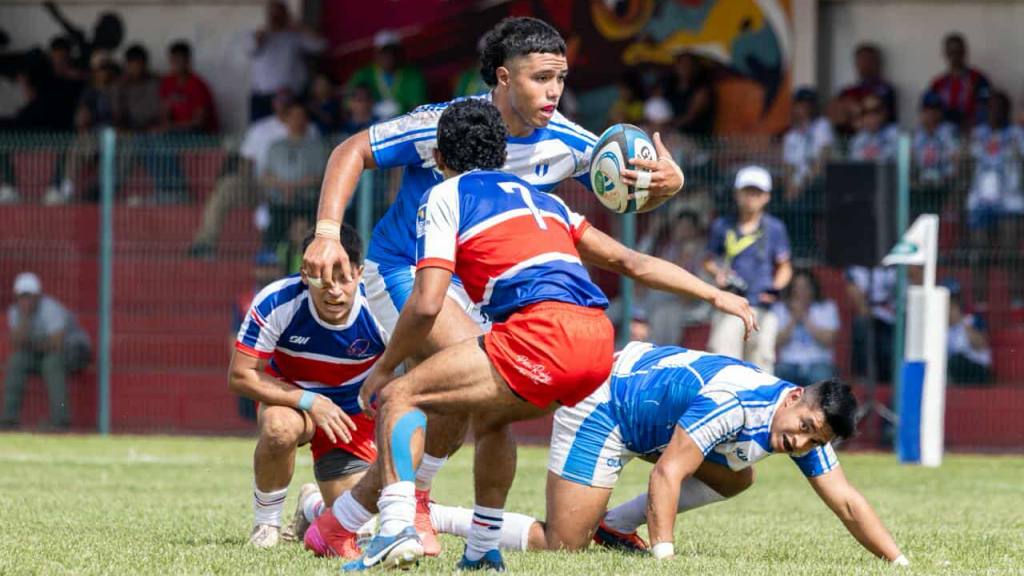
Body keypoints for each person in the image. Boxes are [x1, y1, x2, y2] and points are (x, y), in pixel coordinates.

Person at [300, 18, 693, 558]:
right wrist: (326, 234)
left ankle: (337, 519)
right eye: (541, 78)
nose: (555, 91)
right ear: (504, 79)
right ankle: (409, 512)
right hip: (407, 273)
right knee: (458, 379)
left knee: (478, 407)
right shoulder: (443, 125)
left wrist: (666, 186)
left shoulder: (574, 143)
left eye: (561, 78)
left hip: (482, 289)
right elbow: (351, 151)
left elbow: (631, 187)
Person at [337, 98, 752, 572]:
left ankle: (394, 529)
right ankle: (482, 549)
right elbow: (631, 262)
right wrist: (717, 295)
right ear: (500, 153)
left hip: (542, 337)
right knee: (491, 416)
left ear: (438, 159)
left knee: (399, 397)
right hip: (597, 346)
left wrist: (386, 368)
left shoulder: (444, 195)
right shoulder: (547, 201)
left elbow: (428, 302)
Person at [427, 342, 910, 567]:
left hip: (653, 416)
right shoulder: (739, 402)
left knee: (738, 477)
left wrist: (899, 563)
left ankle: (615, 525)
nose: (801, 444)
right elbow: (667, 475)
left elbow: (846, 501)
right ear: (793, 397)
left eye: (814, 441)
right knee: (563, 544)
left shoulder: (794, 424)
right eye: (805, 429)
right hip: (608, 403)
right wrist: (665, 556)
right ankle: (434, 516)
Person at [228, 224, 387, 548]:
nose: (335, 291)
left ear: (359, 273)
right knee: (278, 428)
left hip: (352, 413)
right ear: (305, 273)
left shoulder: (383, 304)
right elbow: (240, 375)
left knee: (353, 529)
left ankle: (310, 506)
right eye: (323, 280)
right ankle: (267, 526)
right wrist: (310, 401)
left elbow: (411, 369)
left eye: (344, 278)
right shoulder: (276, 301)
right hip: (293, 400)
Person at [188, 90, 319, 258]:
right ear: (273, 103)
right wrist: (252, 180)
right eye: (279, 100)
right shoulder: (261, 128)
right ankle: (205, 243)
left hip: (300, 192)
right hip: (261, 185)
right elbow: (245, 162)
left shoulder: (310, 130)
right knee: (228, 186)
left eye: (287, 100)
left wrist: (291, 187)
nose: (283, 104)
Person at [704, 165, 793, 373]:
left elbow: (785, 266)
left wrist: (775, 288)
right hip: (729, 304)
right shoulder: (722, 225)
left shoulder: (775, 228)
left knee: (761, 367)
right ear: (737, 194)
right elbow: (708, 260)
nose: (752, 197)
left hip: (762, 306)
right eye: (747, 191)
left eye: (757, 192)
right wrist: (719, 273)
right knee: (723, 364)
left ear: (767, 197)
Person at [2, 273, 91, 430]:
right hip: (42, 352)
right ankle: (8, 419)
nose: (25, 300)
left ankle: (60, 421)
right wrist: (25, 319)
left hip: (74, 351)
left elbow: (57, 343)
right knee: (16, 361)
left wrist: (31, 345)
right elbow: (16, 343)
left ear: (38, 296)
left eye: (29, 296)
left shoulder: (50, 308)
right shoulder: (15, 312)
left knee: (52, 363)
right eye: (22, 296)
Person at [966, 91, 1024, 308]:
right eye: (990, 107)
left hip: (1010, 203)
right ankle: (981, 301)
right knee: (979, 252)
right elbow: (965, 162)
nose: (994, 112)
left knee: (1010, 251)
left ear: (1006, 110)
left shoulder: (1017, 134)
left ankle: (1017, 298)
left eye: (999, 107)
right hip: (980, 202)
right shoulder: (977, 134)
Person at [260, 104, 327, 249]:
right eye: (293, 116)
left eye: (301, 117)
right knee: (271, 240)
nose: (297, 120)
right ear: (286, 120)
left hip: (306, 204)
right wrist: (284, 188)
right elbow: (266, 176)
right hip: (279, 204)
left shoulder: (317, 147)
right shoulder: (275, 146)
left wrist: (292, 188)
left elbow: (319, 177)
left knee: (302, 233)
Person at [245, 0, 325, 121]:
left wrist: (300, 27)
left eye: (279, 13)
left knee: (293, 133)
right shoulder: (258, 35)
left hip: (291, 96)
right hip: (263, 97)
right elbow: (249, 49)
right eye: (273, 14)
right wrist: (262, 35)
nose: (276, 17)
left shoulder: (295, 36)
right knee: (260, 134)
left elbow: (321, 46)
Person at [230, 249, 284, 423]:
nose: (268, 271)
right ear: (255, 270)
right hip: (254, 365)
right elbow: (234, 334)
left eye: (272, 266)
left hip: (279, 368)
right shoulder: (244, 300)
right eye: (264, 267)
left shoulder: (288, 298)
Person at [780, 86, 834, 256]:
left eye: (808, 104)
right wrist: (789, 188)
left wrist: (801, 184)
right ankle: (790, 250)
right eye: (800, 104)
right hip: (797, 186)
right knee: (783, 202)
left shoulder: (822, 126)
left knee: (803, 201)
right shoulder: (791, 136)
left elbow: (822, 159)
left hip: (817, 182)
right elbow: (788, 168)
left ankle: (807, 250)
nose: (804, 108)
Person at [773, 269, 839, 385]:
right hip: (788, 363)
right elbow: (776, 342)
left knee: (822, 378)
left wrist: (805, 318)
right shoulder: (780, 308)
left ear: (813, 288)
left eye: (805, 287)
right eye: (797, 287)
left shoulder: (826, 307)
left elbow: (828, 340)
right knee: (779, 373)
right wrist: (793, 320)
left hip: (819, 362)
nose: (801, 292)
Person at [346, 30, 426, 120]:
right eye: (384, 52)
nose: (389, 56)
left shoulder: (412, 75)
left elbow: (418, 108)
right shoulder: (364, 75)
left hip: (403, 124)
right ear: (376, 54)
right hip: (368, 125)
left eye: (393, 52)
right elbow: (348, 103)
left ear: (400, 53)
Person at [911, 91, 959, 218]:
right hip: (921, 186)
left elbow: (956, 160)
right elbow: (912, 161)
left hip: (944, 185)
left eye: (935, 110)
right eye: (927, 110)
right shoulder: (916, 134)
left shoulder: (949, 132)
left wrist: (948, 179)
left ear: (941, 112)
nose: (931, 114)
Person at [928, 33, 990, 129]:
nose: (955, 56)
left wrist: (972, 122)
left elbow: (987, 107)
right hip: (944, 133)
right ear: (945, 54)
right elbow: (929, 111)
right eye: (951, 52)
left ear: (965, 52)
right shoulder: (938, 83)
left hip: (973, 130)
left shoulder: (978, 78)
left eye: (958, 52)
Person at [846, 265, 897, 380]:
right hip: (871, 315)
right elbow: (855, 294)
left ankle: (888, 379)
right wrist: (870, 314)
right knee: (861, 324)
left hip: (896, 317)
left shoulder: (898, 266)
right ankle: (861, 376)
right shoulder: (860, 268)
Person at [159, 41, 217, 134]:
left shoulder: (198, 85)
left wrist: (173, 127)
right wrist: (167, 126)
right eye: (174, 60)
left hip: (199, 135)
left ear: (188, 61)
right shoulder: (167, 82)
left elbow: (199, 122)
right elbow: (165, 112)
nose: (177, 64)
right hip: (175, 133)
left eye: (180, 60)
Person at [944, 281, 992, 385]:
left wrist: (961, 322)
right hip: (952, 369)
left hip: (976, 369)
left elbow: (981, 344)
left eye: (953, 303)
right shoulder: (938, 326)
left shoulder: (973, 319)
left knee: (957, 360)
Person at [838, 43, 897, 122]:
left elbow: (884, 116)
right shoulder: (847, 91)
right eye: (861, 60)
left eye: (868, 60)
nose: (865, 64)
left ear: (877, 63)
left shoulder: (886, 90)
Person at [849, 94, 900, 162]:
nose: (871, 117)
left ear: (884, 113)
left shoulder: (896, 133)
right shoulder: (858, 139)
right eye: (866, 113)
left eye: (876, 111)